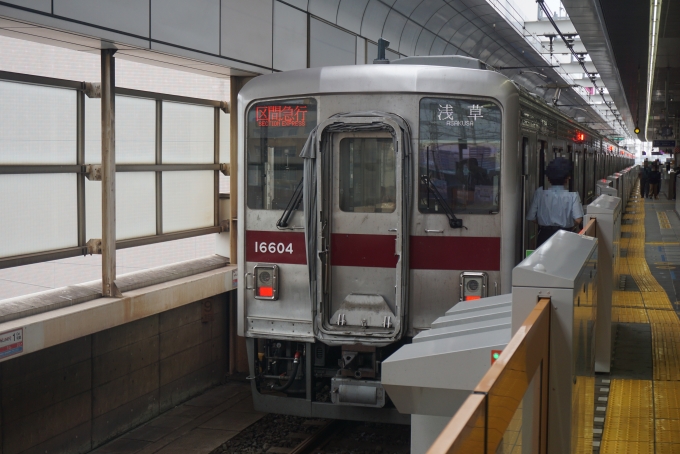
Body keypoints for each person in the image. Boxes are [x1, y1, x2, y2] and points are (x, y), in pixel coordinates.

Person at [527, 157, 584, 247]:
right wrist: (570, 225)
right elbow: (578, 219)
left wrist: (545, 223)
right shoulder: (572, 195)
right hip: (566, 235)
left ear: (548, 178)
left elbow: (531, 217)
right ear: (567, 178)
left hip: (544, 235)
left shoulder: (540, 192)